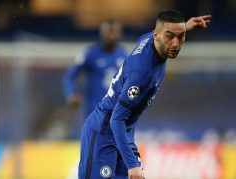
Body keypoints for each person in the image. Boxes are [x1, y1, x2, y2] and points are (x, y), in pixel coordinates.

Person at [78, 9, 211, 179]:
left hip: (123, 136)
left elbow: (166, 32)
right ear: (156, 35)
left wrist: (184, 27)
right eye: (170, 36)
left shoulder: (150, 39)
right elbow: (116, 119)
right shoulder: (141, 73)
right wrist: (132, 165)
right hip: (104, 134)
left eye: (181, 36)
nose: (176, 43)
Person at [63, 20, 127, 137]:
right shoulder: (90, 53)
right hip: (94, 111)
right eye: (108, 32)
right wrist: (71, 94)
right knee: (93, 147)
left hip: (117, 112)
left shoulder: (124, 55)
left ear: (119, 34)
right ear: (102, 33)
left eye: (114, 32)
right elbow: (70, 75)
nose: (111, 36)